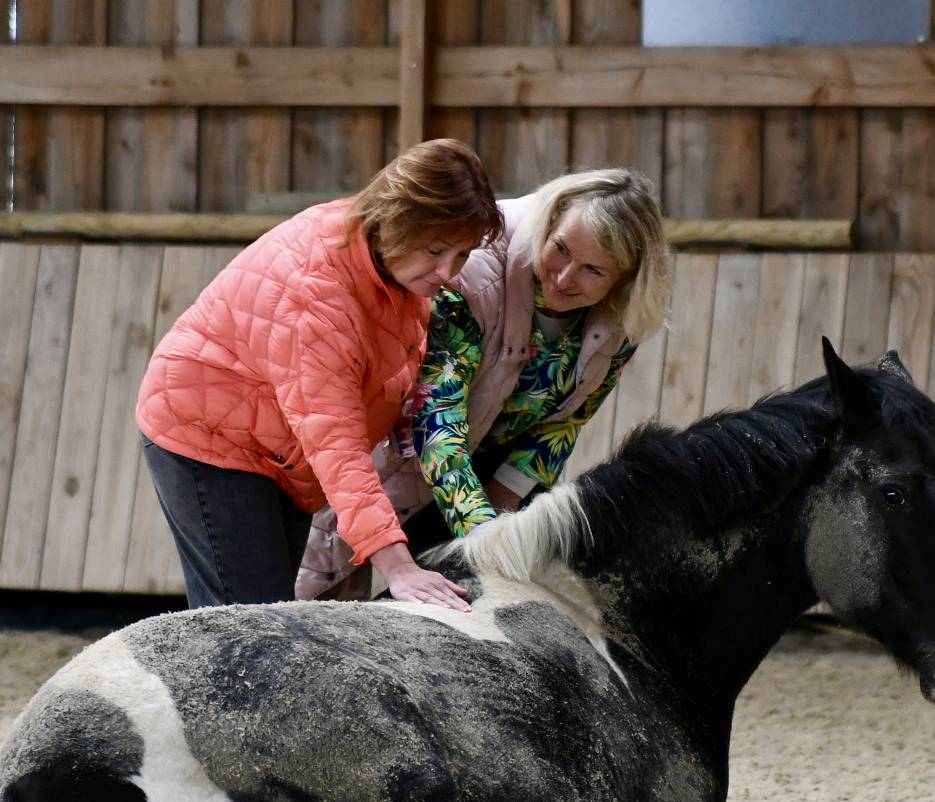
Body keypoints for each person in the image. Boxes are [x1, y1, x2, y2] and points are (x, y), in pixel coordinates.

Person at [136, 138, 503, 610]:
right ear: (395, 219)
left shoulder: (391, 260)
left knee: (271, 615)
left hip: (275, 444)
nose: (448, 273)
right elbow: (336, 442)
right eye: (436, 250)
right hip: (207, 434)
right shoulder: (317, 293)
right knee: (247, 629)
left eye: (463, 255)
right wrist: (399, 568)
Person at [296, 167, 671, 600]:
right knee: (331, 600)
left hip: (500, 472)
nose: (564, 279)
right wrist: (486, 534)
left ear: (625, 281)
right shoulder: (472, 278)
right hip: (409, 457)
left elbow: (566, 423)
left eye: (593, 271)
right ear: (548, 225)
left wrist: (502, 510)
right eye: (561, 250)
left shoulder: (627, 320)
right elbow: (436, 418)